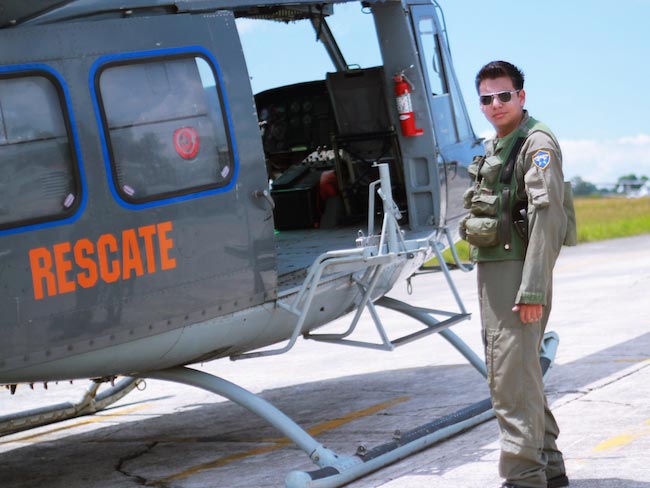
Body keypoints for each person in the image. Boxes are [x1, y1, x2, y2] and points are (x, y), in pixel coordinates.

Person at [460, 60, 569, 488]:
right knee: (518, 372)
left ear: (521, 97)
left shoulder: (536, 144)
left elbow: (548, 220)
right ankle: (550, 468)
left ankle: (524, 478)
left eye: (504, 95)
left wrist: (533, 288)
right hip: (495, 273)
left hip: (518, 275)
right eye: (487, 98)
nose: (495, 104)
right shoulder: (497, 144)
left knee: (510, 380)